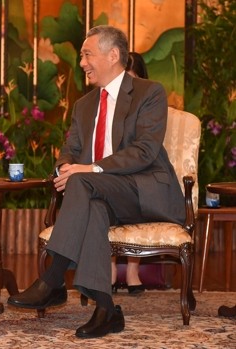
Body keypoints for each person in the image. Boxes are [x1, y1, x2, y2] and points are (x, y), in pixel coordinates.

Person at [7, 25, 185, 339]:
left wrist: (88, 169)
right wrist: (65, 167)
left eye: (87, 54)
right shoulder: (84, 105)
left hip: (144, 190)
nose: (82, 63)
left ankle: (52, 279)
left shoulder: (149, 92)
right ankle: (106, 309)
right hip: (103, 193)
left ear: (113, 54)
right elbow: (70, 149)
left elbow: (144, 151)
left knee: (84, 182)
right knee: (91, 202)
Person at [111, 51, 149, 295]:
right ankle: (110, 268)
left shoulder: (150, 104)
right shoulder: (102, 106)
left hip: (139, 175)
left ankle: (133, 271)